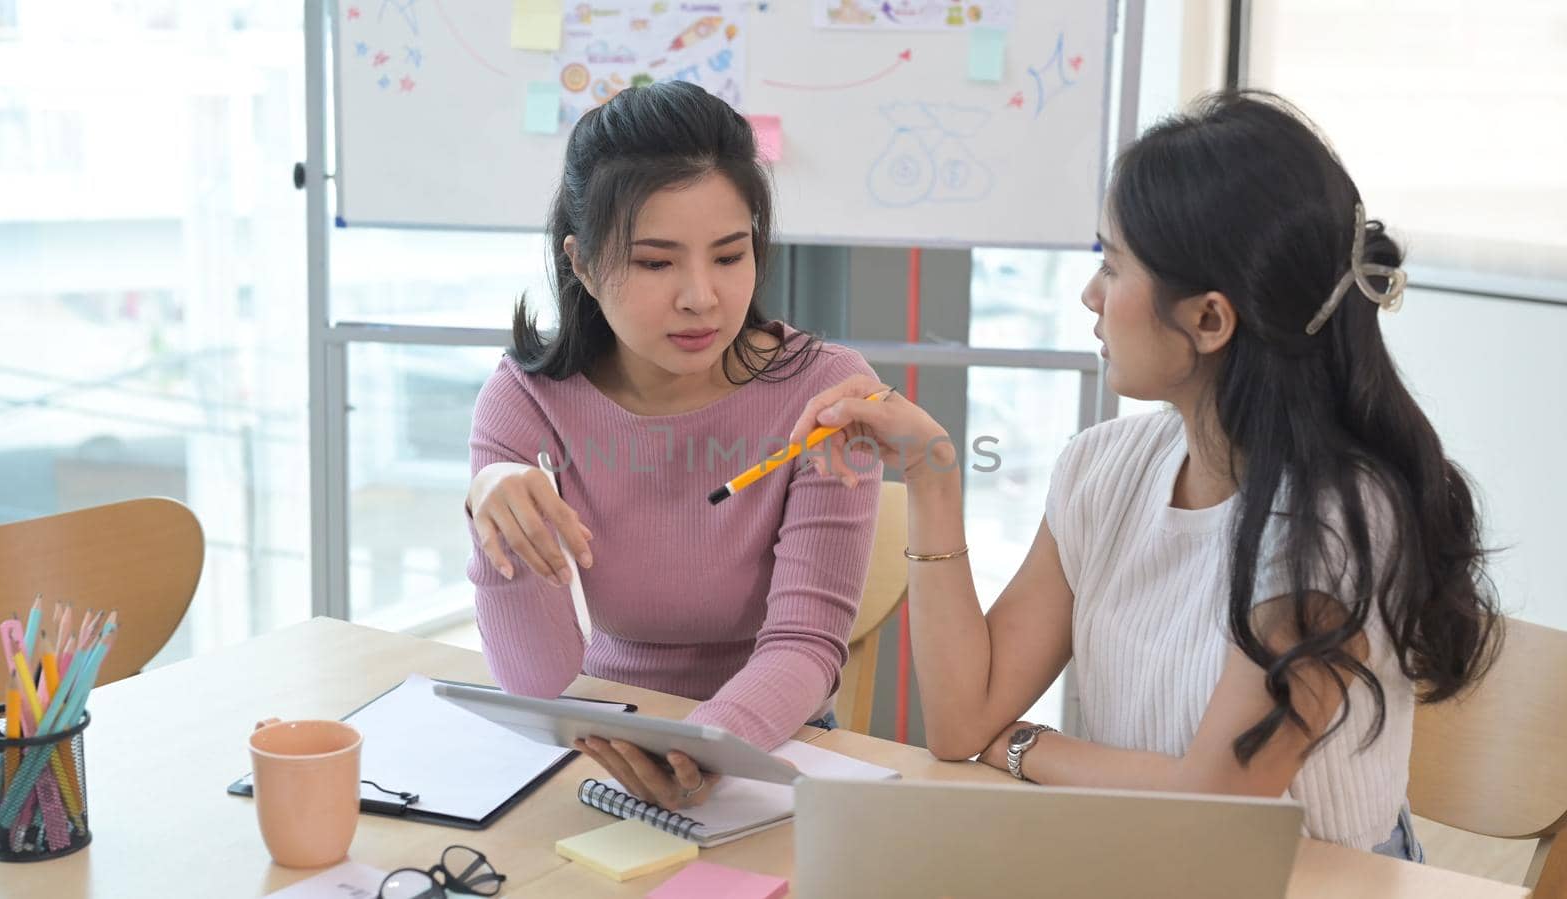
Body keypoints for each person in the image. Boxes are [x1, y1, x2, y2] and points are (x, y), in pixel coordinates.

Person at [790, 90, 1500, 858]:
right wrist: (933, 477)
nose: (1090, 294)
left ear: (1208, 320)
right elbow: (964, 721)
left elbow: (1213, 803)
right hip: (1143, 860)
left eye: (1113, 263)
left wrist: (1027, 746)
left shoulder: (1334, 522)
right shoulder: (1104, 467)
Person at [464, 80, 882, 810]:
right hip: (601, 737)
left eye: (729, 255)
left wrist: (700, 744)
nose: (701, 296)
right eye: (657, 262)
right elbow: (539, 687)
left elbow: (806, 644)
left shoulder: (828, 393)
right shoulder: (527, 400)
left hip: (770, 747)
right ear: (582, 264)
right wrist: (495, 528)